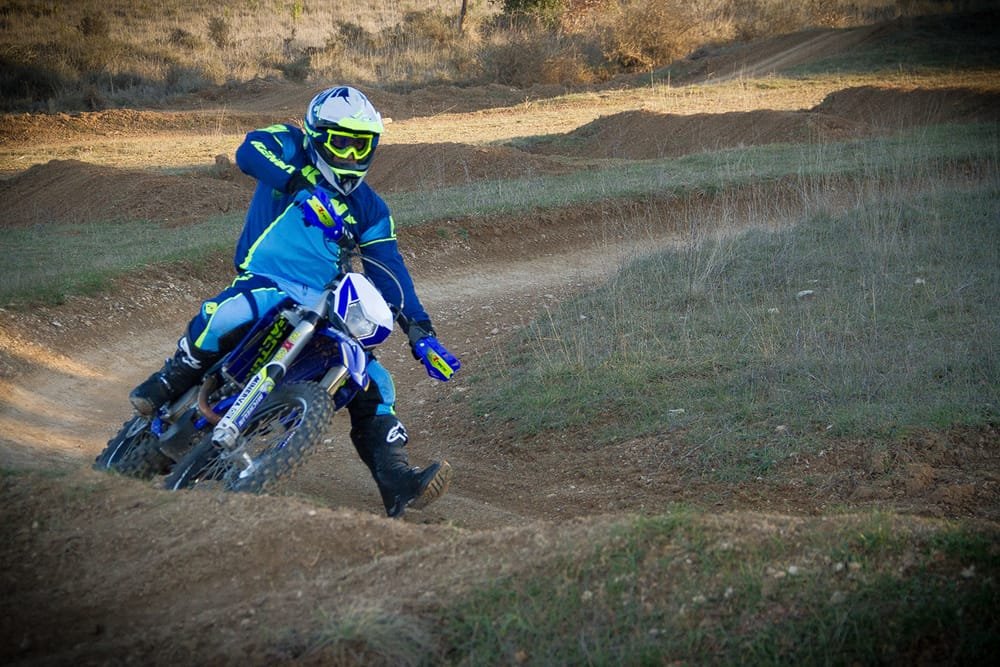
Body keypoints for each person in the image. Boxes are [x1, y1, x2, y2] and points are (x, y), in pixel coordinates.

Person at [129, 85, 459, 518]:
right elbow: (249, 151)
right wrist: (303, 184)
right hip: (268, 277)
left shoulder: (370, 207)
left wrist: (421, 332)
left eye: (361, 146)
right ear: (317, 135)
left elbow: (389, 269)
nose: (350, 156)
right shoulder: (289, 143)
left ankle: (397, 480)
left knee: (376, 382)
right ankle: (169, 379)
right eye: (340, 143)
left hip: (324, 300)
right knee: (228, 312)